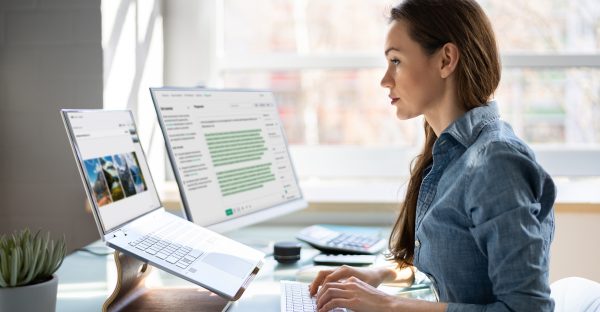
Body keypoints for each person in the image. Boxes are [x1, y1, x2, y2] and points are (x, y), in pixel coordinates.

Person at [308, 0, 556, 311]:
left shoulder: (497, 162)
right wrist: (378, 274)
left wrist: (388, 305)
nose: (385, 79)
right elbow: (452, 267)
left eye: (396, 60)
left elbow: (529, 309)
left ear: (446, 60)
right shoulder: (450, 154)